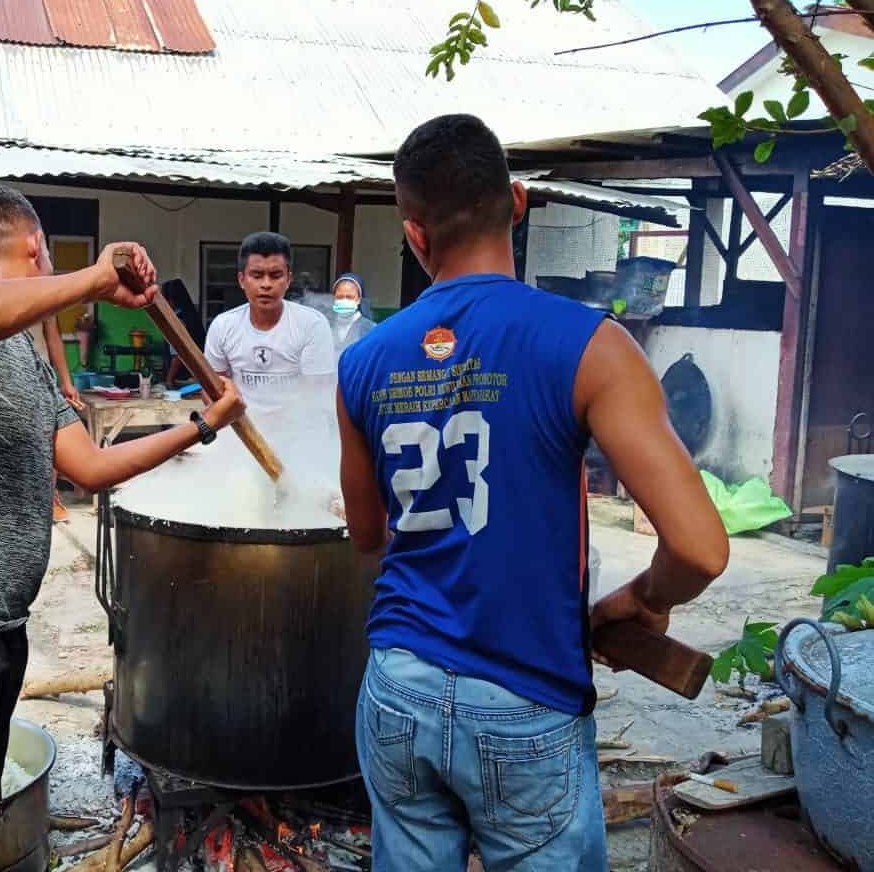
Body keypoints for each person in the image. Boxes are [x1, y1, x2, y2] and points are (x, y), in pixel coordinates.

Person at [336, 114, 730, 872]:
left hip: (398, 686)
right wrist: (645, 598)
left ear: (413, 235)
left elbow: (366, 537)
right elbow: (700, 548)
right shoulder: (589, 343)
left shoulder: (364, 359)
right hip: (527, 700)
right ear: (518, 203)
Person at [0, 183, 243, 872]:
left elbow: (92, 467)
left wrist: (198, 428)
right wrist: (97, 280)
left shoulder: (30, 364)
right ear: (34, 247)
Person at [203, 231, 335, 417]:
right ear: (242, 280)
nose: (266, 284)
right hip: (240, 432)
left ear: (288, 279)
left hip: (297, 433)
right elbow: (212, 387)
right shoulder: (223, 326)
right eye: (257, 275)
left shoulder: (312, 325)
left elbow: (317, 395)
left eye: (275, 275)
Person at [26, 255, 86, 524]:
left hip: (42, 376)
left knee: (48, 439)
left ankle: (49, 499)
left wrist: (66, 381)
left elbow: (53, 337)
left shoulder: (45, 292)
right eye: (45, 252)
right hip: (14, 373)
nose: (48, 259)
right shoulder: (2, 289)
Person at [160, 278, 206, 387]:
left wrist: (169, 380)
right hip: (199, 377)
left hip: (184, 380)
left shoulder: (177, 321)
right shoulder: (192, 316)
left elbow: (178, 355)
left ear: (171, 300)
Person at [330, 273, 376, 353]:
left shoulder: (371, 328)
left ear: (359, 299)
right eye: (340, 297)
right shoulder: (327, 325)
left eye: (349, 297)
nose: (344, 301)